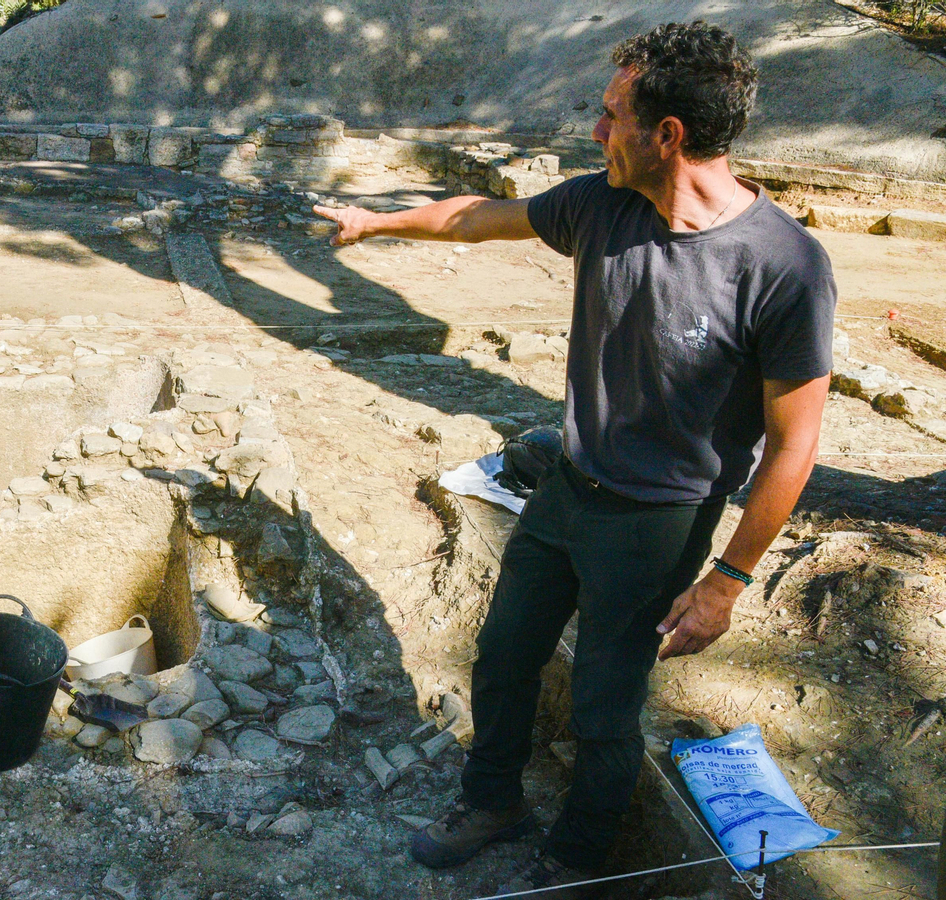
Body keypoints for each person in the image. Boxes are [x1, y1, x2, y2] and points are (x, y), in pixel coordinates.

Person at [314, 21, 834, 897]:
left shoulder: (781, 266)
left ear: (665, 134)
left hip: (660, 525)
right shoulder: (603, 205)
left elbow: (796, 442)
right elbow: (478, 218)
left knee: (603, 704)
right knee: (504, 655)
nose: (596, 133)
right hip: (566, 488)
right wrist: (378, 222)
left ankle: (584, 853)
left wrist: (727, 581)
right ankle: (492, 804)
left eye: (610, 115)